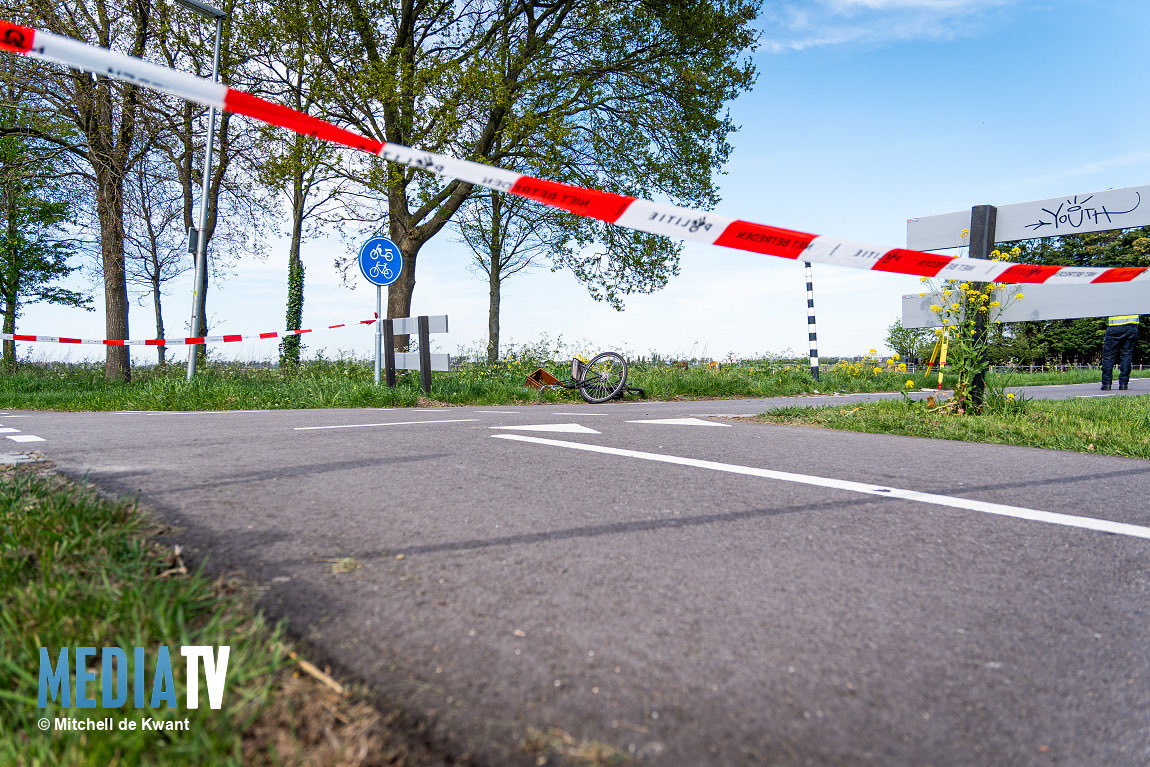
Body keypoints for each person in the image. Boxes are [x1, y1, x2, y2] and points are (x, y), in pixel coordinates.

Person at [1100, 314, 1139, 390]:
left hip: (1114, 327)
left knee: (1108, 356)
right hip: (1131, 327)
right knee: (1126, 355)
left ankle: (1106, 384)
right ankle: (1124, 384)